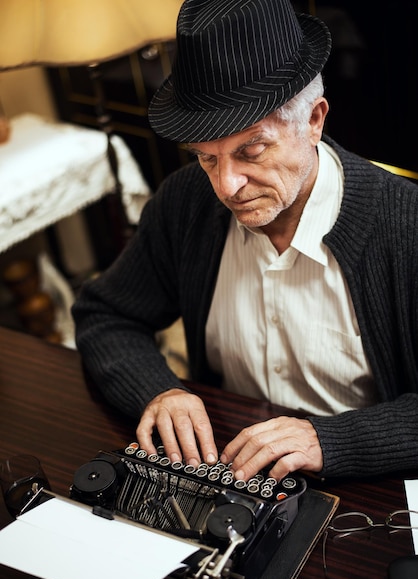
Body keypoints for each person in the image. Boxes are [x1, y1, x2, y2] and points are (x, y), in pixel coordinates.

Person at [72, 0, 418, 482]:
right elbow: (106, 315)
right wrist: (159, 391)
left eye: (251, 150)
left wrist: (333, 439)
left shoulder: (406, 226)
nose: (226, 187)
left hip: (364, 491)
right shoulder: (186, 203)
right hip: (222, 471)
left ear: (314, 120)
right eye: (206, 158)